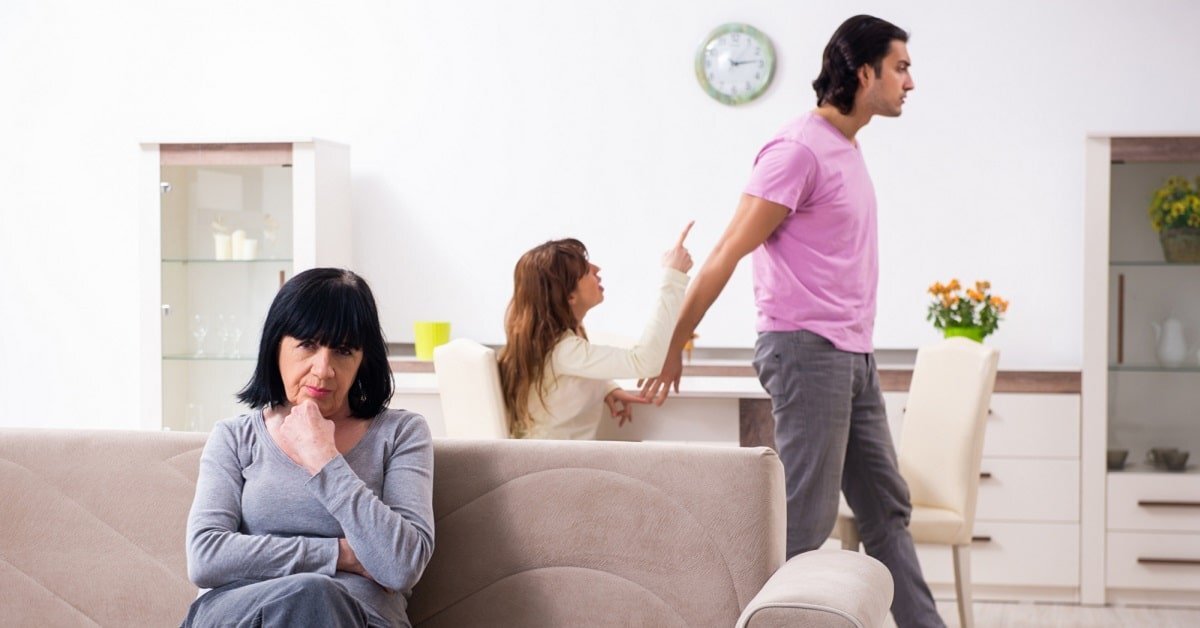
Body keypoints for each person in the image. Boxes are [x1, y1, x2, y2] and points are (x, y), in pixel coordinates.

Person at [641, 15, 942, 628]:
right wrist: (674, 341)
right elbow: (726, 251)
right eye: (901, 68)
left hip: (853, 354)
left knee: (886, 510)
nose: (910, 82)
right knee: (805, 520)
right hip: (807, 351)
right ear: (865, 73)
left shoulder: (846, 147)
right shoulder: (798, 150)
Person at [183, 268, 434, 628]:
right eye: (308, 345)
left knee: (317, 595)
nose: (324, 369)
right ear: (277, 345)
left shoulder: (401, 434)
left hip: (361, 620)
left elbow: (401, 566)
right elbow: (206, 556)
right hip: (242, 616)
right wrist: (339, 554)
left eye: (343, 351)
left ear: (363, 359)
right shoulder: (234, 438)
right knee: (312, 593)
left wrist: (324, 458)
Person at [498, 224, 694, 439]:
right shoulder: (563, 350)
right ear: (569, 296)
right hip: (553, 459)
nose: (597, 269)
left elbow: (561, 378)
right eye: (585, 270)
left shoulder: (555, 343)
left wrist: (603, 387)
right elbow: (645, 362)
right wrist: (673, 276)